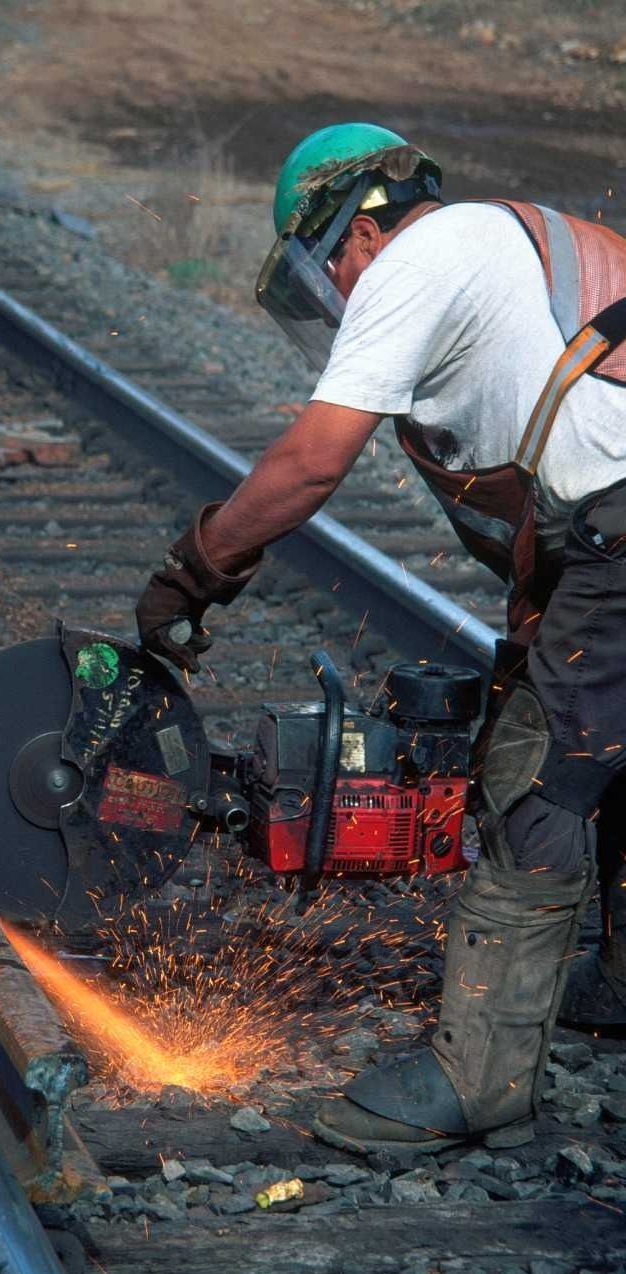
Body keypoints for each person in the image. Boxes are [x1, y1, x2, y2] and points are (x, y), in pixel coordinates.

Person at [134, 122, 626, 1157]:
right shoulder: (503, 246)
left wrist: (196, 570)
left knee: (540, 780)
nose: (339, 299)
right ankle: (619, 979)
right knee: (600, 748)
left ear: (362, 226)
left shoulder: (421, 255)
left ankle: (481, 1080)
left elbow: (313, 463)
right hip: (604, 529)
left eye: (328, 271)